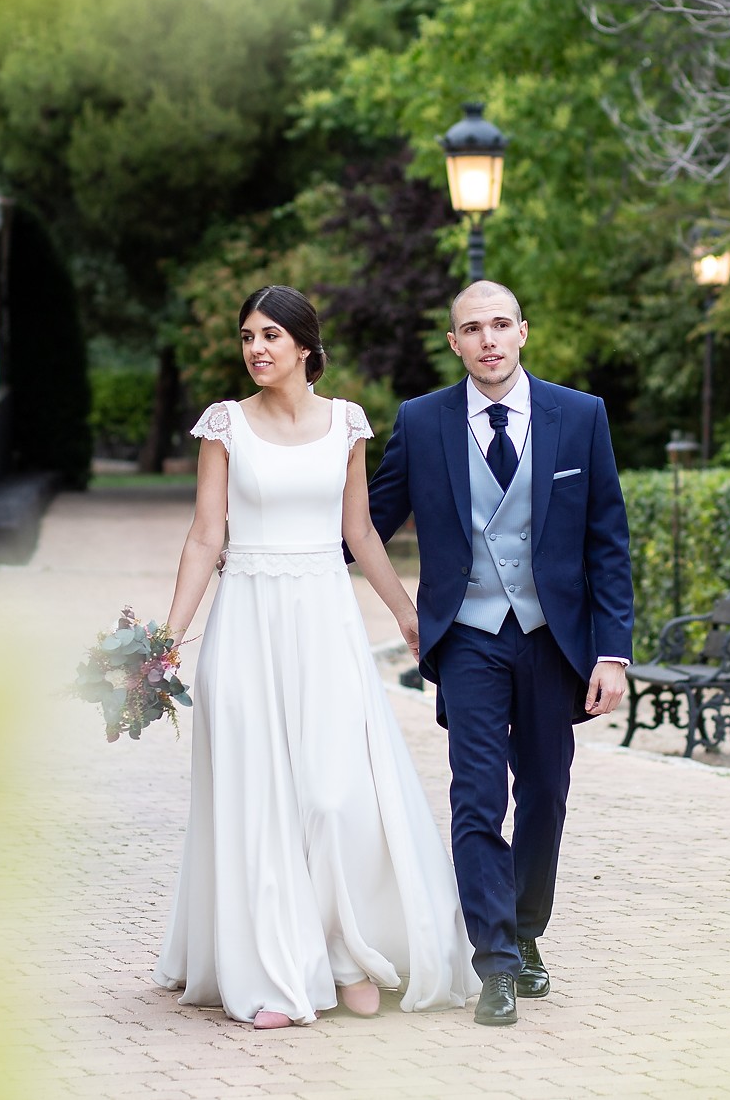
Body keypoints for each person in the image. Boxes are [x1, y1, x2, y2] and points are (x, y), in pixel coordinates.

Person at [153, 285, 479, 1029]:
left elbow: (360, 533)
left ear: (305, 346)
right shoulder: (225, 426)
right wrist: (166, 641)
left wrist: (405, 612)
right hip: (247, 622)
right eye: (247, 337)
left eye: (271, 335)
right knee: (260, 799)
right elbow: (205, 537)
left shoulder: (346, 425)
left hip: (326, 622)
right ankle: (277, 973)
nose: (256, 349)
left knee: (335, 797)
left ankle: (348, 953)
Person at [366, 280, 635, 1027]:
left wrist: (612, 653)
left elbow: (608, 542)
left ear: (523, 331)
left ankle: (524, 925)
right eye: (471, 328)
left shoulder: (580, 415)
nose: (487, 339)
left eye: (499, 324)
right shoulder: (421, 422)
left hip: (553, 637)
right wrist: (273, 551)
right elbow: (368, 524)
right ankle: (496, 961)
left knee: (545, 792)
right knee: (476, 795)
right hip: (468, 637)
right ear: (454, 342)